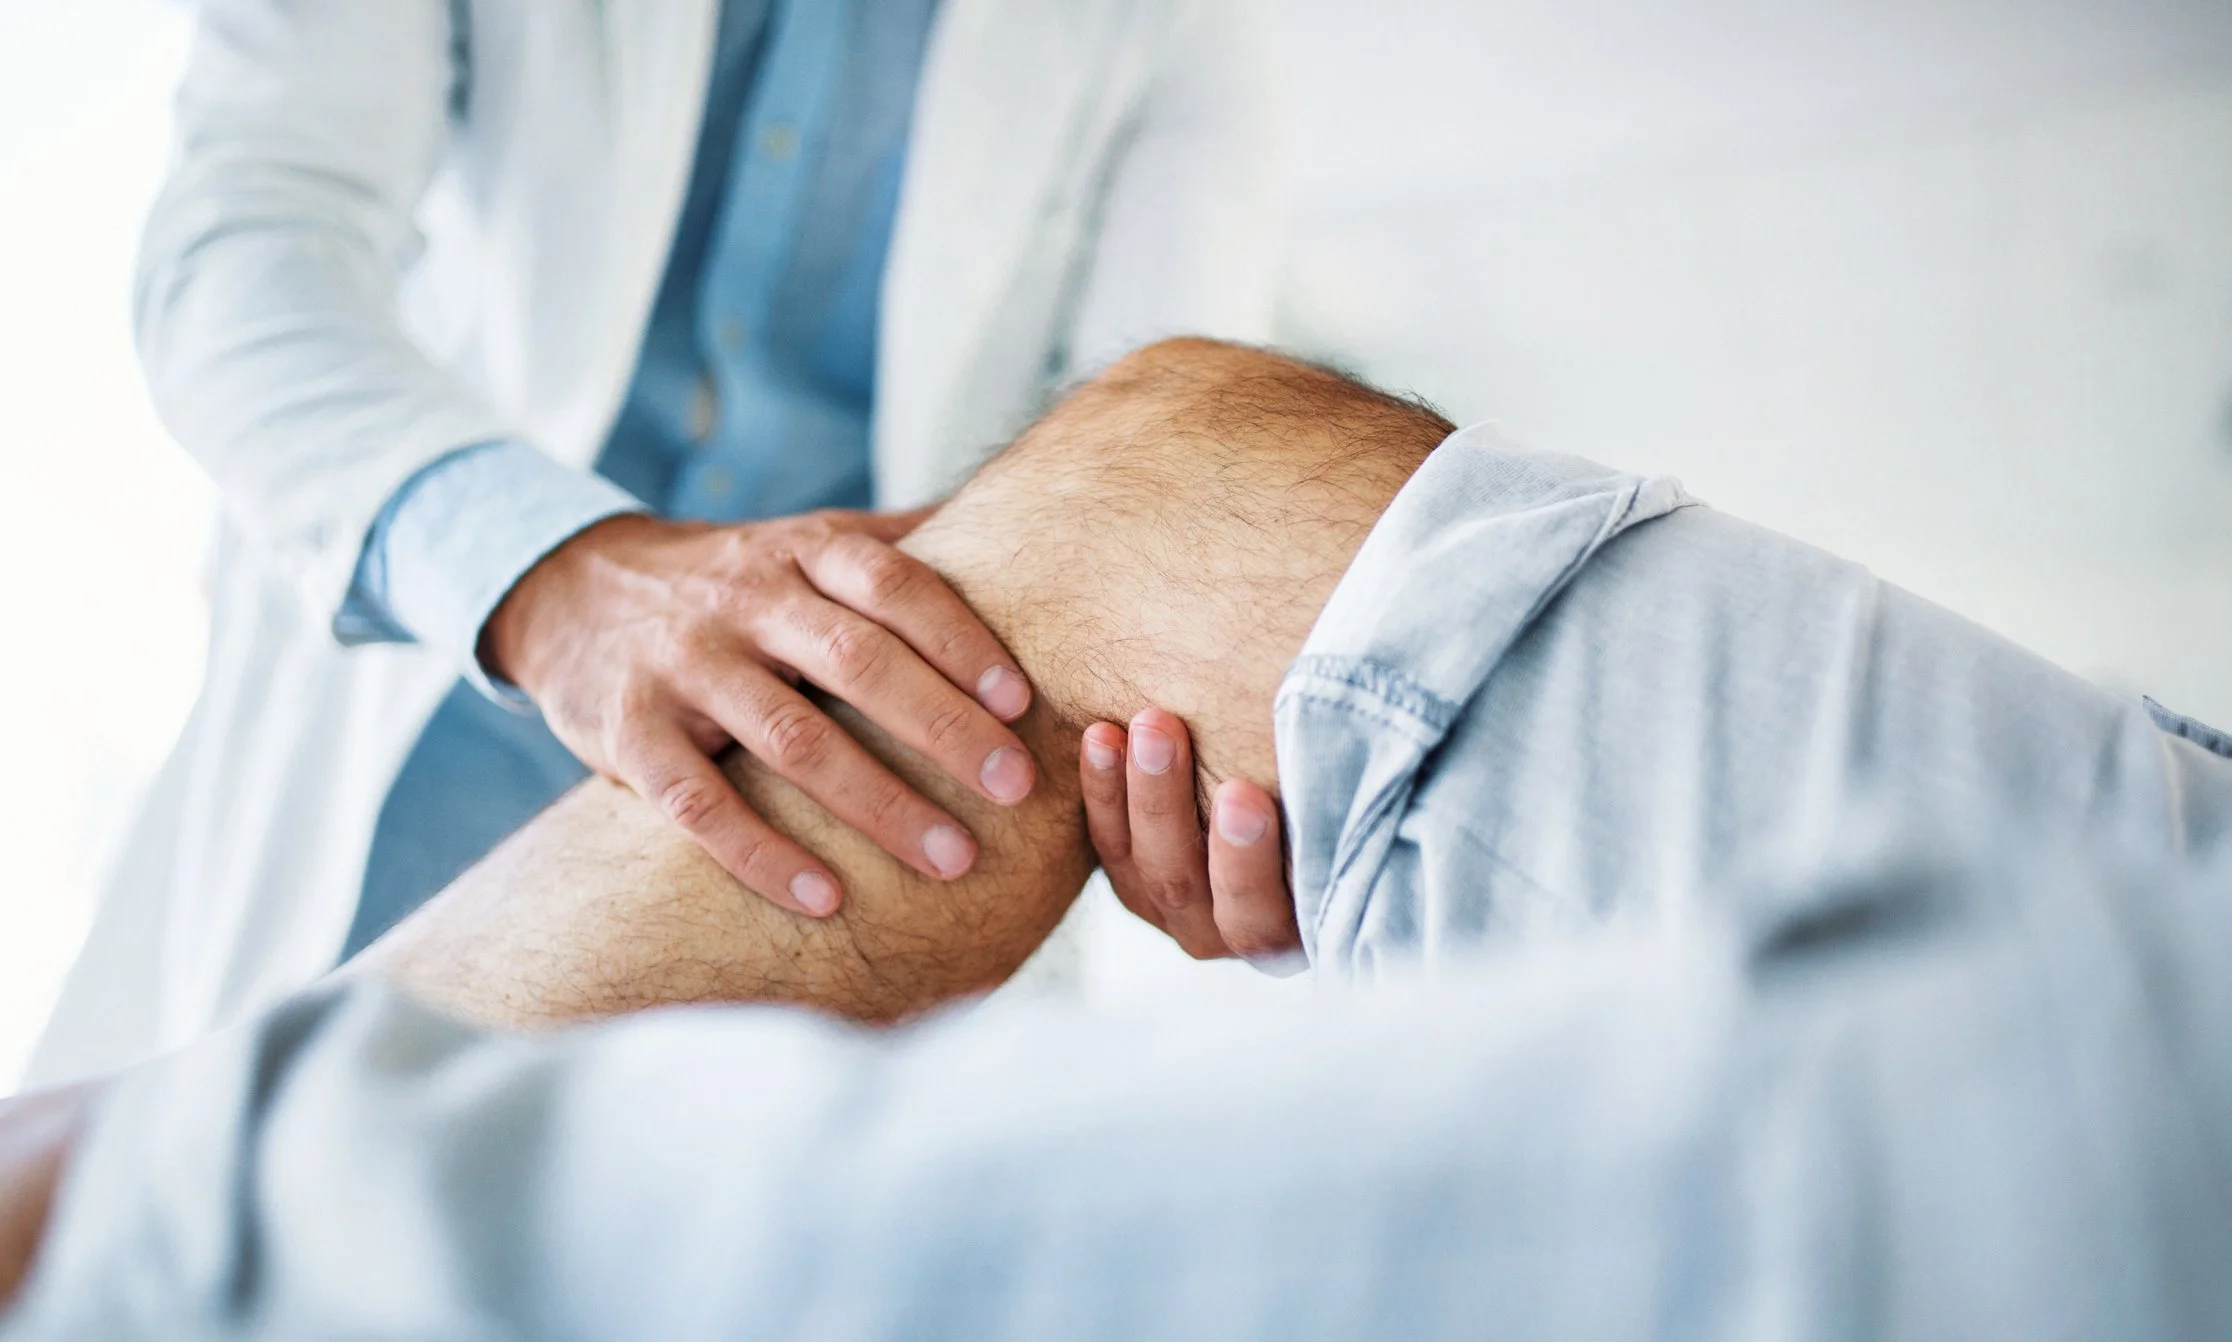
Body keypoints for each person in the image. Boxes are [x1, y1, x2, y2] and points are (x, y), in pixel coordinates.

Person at [2, 339, 2229, 1337]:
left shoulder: (1159, 43)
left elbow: (1062, 487)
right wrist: (554, 568)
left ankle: (148, 1234)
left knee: (1128, 512)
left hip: (831, 716)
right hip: (493, 660)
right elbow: (243, 264)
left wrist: (1255, 818)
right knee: (1132, 503)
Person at [28, 0, 1287, 1087]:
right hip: (419, 711)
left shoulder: (1184, 30)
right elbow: (243, 245)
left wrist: (1192, 768)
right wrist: (548, 570)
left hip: (852, 827)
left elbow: (1145, 453)